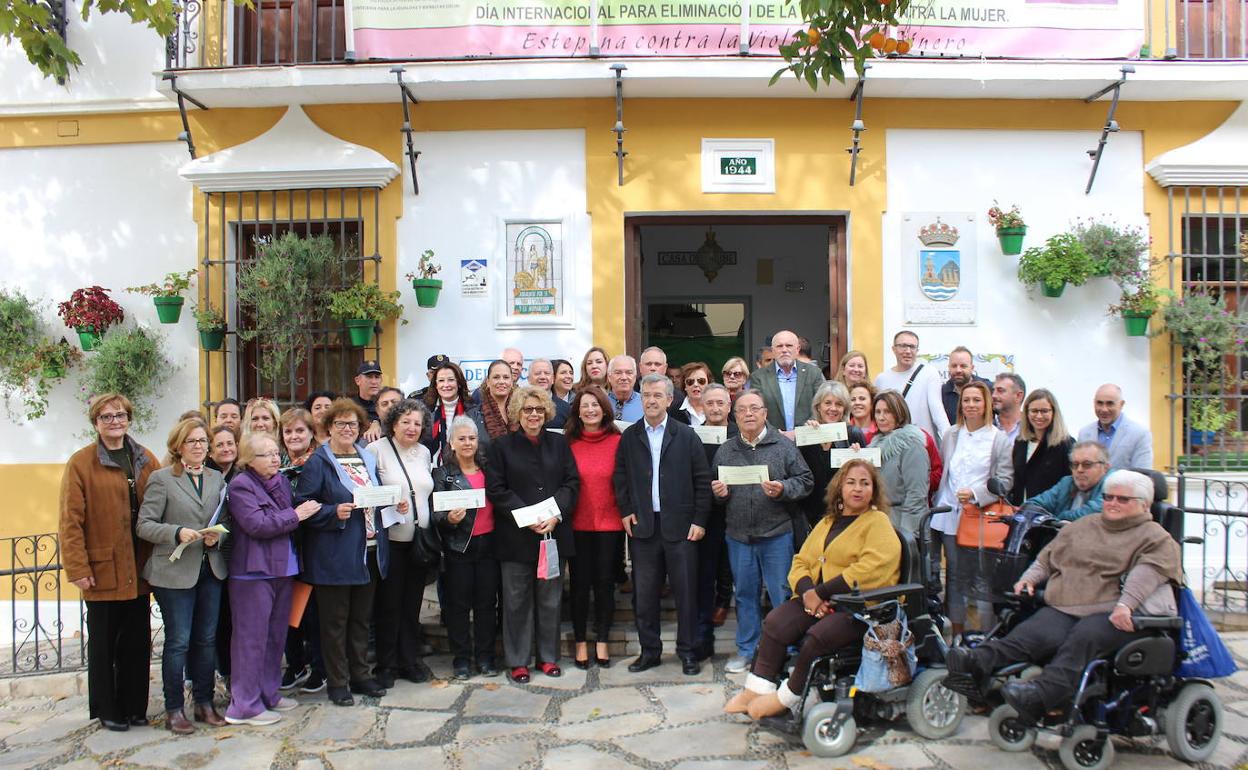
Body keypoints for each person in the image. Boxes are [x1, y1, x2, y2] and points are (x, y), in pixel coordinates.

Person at [945, 470, 1182, 725]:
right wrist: (1029, 578)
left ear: (1144, 504)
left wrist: (1126, 605)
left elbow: (1147, 573)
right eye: (1108, 497)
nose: (1112, 503)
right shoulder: (1086, 525)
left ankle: (1042, 694)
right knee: (1035, 631)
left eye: (1122, 499)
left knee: (1086, 635)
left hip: (1117, 611)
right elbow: (1049, 556)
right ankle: (977, 661)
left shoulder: (1155, 536)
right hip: (1071, 604)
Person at [725, 460, 901, 719]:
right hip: (818, 599)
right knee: (775, 622)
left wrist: (820, 593)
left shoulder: (878, 523)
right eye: (851, 482)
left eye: (865, 483)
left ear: (873, 491)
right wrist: (809, 593)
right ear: (840, 487)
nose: (857, 489)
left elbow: (870, 570)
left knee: (816, 639)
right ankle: (756, 690)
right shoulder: (829, 522)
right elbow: (802, 561)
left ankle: (785, 698)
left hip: (859, 609)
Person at [60, 393, 159, 732]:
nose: (115, 421)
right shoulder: (81, 463)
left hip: (139, 565)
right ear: (95, 423)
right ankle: (108, 708)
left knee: (136, 641)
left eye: (120, 415)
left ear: (129, 418)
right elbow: (70, 520)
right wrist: (78, 567)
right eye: (106, 417)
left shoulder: (145, 458)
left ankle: (134, 707)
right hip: (103, 569)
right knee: (104, 645)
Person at [293, 398, 391, 707]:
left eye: (353, 424)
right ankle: (338, 682)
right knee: (334, 623)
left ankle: (361, 675)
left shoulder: (367, 458)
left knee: (361, 619)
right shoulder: (318, 462)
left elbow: (374, 494)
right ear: (328, 427)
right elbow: (303, 506)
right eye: (340, 424)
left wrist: (393, 502)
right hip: (334, 553)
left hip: (369, 549)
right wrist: (334, 511)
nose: (347, 429)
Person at [612, 374, 710, 675]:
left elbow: (702, 481)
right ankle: (650, 651)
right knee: (644, 595)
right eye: (647, 396)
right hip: (643, 527)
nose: (651, 401)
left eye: (658, 395)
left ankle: (688, 652)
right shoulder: (630, 437)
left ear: (670, 400)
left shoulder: (687, 435)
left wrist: (699, 520)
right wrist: (626, 510)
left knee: (686, 594)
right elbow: (620, 477)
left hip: (681, 528)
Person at [136, 418, 226, 734]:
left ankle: (204, 703)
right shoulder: (162, 479)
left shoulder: (216, 478)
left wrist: (219, 537)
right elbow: (144, 525)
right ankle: (174, 708)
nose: (199, 446)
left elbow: (225, 520)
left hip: (210, 568)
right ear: (178, 446)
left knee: (206, 639)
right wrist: (177, 532)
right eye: (192, 441)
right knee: (179, 642)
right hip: (174, 572)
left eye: (203, 440)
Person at [713, 391, 814, 674]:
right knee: (745, 595)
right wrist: (719, 493)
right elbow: (717, 491)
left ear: (765, 413)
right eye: (742, 410)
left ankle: (789, 650)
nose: (748, 414)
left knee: (782, 594)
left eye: (754, 408)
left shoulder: (783, 446)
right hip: (739, 536)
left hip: (777, 534)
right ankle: (747, 650)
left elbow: (806, 481)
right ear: (735, 417)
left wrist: (783, 489)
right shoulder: (726, 450)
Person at [224, 434, 320, 725]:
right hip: (253, 572)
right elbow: (257, 524)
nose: (275, 458)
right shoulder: (241, 485)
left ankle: (268, 693)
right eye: (267, 455)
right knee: (251, 639)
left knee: (275, 635)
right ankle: (244, 705)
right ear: (249, 460)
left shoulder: (279, 482)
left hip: (284, 568)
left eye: (276, 453)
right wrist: (296, 515)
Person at [485, 386, 580, 683]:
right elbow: (497, 489)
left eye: (539, 410)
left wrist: (555, 515)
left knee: (550, 600)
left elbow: (572, 483)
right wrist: (528, 518)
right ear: (517, 412)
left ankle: (548, 657)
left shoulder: (559, 444)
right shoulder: (501, 447)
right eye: (527, 410)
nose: (534, 415)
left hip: (552, 534)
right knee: (515, 601)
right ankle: (518, 660)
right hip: (516, 538)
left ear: (547, 412)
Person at [932, 381, 1015, 637]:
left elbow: (1005, 480)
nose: (970, 405)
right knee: (955, 576)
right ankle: (957, 634)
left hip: (981, 517)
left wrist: (978, 494)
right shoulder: (951, 434)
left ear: (986, 403)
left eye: (976, 400)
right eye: (966, 400)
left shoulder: (998, 439)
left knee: (982, 577)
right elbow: (945, 469)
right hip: (950, 514)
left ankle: (984, 634)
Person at [368, 399, 435, 687]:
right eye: (406, 421)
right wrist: (389, 503)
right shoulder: (376, 451)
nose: (412, 427)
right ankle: (386, 664)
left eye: (417, 423)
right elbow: (366, 494)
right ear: (393, 423)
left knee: (412, 605)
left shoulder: (424, 453)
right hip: (391, 541)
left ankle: (409, 660)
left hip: (418, 541)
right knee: (388, 605)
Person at [433, 416, 500, 680]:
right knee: (458, 607)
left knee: (486, 605)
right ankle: (461, 660)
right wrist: (449, 518)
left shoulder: (489, 470)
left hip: (489, 546)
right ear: (451, 442)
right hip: (459, 548)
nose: (468, 443)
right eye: (461, 438)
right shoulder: (443, 474)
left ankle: (485, 658)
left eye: (471, 438)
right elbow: (436, 514)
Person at [564, 387, 624, 669]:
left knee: (604, 585)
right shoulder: (567, 443)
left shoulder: (618, 440)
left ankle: (601, 639)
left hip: (610, 525)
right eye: (584, 405)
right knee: (578, 586)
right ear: (577, 411)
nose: (590, 410)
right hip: (577, 524)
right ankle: (579, 642)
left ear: (604, 408)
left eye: (595, 405)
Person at [275, 408, 325, 695]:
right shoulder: (276, 463)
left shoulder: (319, 462)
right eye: (288, 432)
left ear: (310, 434)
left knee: (313, 614)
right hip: (283, 546)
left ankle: (319, 668)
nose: (294, 436)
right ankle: (294, 664)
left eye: (299, 431)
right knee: (287, 610)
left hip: (313, 546)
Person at [697, 384, 738, 650]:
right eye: (709, 403)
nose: (715, 408)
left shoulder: (739, 432)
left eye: (720, 403)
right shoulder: (695, 434)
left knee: (729, 559)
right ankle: (711, 605)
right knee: (708, 559)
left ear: (729, 406)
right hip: (706, 509)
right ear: (702, 406)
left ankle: (724, 601)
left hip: (737, 507)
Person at [798, 382, 868, 532]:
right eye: (828, 403)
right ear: (818, 407)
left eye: (839, 404)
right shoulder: (807, 435)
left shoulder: (853, 434)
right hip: (811, 516)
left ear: (844, 409)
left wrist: (857, 461)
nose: (833, 408)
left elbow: (868, 476)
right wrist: (806, 436)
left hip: (846, 515)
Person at [867, 391, 931, 535]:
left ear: (899, 413)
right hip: (878, 524)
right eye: (877, 412)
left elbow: (916, 495)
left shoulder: (912, 446)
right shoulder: (874, 446)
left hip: (901, 526)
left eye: (887, 412)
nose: (881, 417)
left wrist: (906, 535)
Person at [874, 330, 950, 441]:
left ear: (917, 350)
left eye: (912, 347)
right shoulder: (882, 379)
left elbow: (937, 411)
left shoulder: (929, 373)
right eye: (903, 346)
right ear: (894, 349)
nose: (908, 351)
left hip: (922, 444)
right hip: (891, 445)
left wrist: (949, 442)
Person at [746, 330, 823, 433]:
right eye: (779, 346)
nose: (784, 350)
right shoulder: (759, 377)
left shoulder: (813, 373)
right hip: (773, 440)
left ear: (797, 349)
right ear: (773, 351)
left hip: (808, 437)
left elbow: (820, 404)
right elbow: (756, 409)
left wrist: (809, 425)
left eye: (789, 345)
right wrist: (773, 432)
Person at [1009, 388, 1075, 505]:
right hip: (1020, 511)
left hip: (1049, 513)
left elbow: (1070, 484)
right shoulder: (1020, 442)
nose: (1039, 416)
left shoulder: (1066, 444)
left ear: (1053, 412)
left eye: (1044, 411)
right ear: (1026, 413)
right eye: (1034, 411)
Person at [1025, 441, 1110, 520]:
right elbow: (1032, 505)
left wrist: (1057, 519)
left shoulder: (1113, 485)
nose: (1079, 470)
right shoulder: (1066, 482)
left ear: (1105, 468)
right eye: (1075, 464)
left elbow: (1090, 514)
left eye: (1087, 464)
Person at [1077, 383, 1154, 469]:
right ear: (1094, 403)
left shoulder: (1140, 434)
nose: (1104, 409)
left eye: (1110, 403)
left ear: (1121, 404)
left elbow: (1143, 475)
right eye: (1099, 403)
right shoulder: (1084, 433)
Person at [422, 361, 487, 461]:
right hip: (439, 472)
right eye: (441, 381)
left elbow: (482, 447)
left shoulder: (475, 413)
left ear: (459, 383)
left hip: (470, 470)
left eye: (451, 380)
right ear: (436, 385)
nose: (446, 385)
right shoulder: (429, 416)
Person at [940, 346, 990, 425]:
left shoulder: (987, 388)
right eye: (954, 366)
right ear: (948, 368)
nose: (958, 370)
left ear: (972, 368)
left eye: (963, 366)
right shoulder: (941, 393)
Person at [478, 359, 516, 441]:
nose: (501, 381)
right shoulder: (474, 416)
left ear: (512, 382)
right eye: (496, 377)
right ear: (488, 382)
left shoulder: (521, 412)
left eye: (506, 377)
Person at [528, 358, 570, 428]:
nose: (542, 377)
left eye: (547, 373)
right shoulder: (520, 406)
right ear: (529, 379)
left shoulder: (566, 408)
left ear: (553, 379)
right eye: (538, 373)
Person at [352, 360, 384, 443]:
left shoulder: (387, 404)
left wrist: (377, 423)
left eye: (377, 377)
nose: (374, 382)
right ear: (357, 380)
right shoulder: (350, 406)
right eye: (369, 377)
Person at [606, 354, 643, 423]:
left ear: (635, 376)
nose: (624, 377)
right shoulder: (600, 402)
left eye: (629, 373)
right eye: (618, 373)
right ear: (609, 377)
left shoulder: (645, 402)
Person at [677, 361, 714, 426]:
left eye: (701, 381)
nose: (696, 385)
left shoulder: (718, 408)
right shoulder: (673, 410)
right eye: (690, 382)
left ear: (708, 384)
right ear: (684, 386)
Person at [992, 373, 1027, 442]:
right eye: (993, 390)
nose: (994, 395)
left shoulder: (1032, 427)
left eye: (1000, 391)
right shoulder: (987, 427)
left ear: (1018, 396)